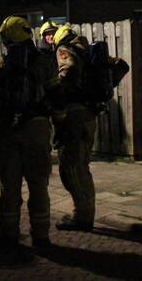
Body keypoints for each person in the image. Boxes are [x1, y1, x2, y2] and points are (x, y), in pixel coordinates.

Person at [0, 16, 62, 249]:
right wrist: (59, 127)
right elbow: (56, 97)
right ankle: (41, 236)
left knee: (10, 186)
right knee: (38, 185)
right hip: (36, 128)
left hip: (7, 129)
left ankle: (9, 234)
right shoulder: (46, 63)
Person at [51, 25, 98, 232]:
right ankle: (86, 214)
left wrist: (53, 86)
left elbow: (67, 71)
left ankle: (82, 218)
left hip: (74, 117)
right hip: (88, 115)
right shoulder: (86, 51)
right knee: (82, 167)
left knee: (71, 168)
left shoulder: (64, 49)